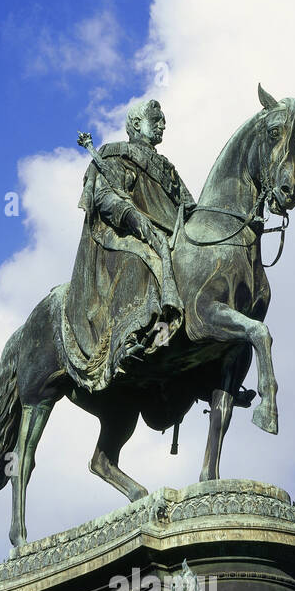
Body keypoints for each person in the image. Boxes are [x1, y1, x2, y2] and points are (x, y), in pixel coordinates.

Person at [64, 100, 195, 392]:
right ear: (136, 124)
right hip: (125, 235)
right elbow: (104, 197)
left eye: (164, 121)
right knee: (146, 261)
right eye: (157, 120)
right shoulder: (115, 155)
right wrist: (133, 218)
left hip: (168, 235)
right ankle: (130, 338)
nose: (163, 125)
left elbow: (189, 207)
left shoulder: (167, 169)